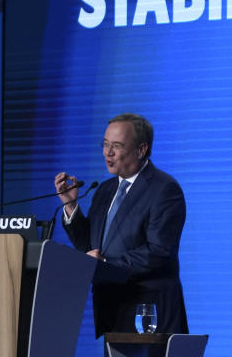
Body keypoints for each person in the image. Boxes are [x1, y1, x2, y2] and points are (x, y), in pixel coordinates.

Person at [54, 113, 188, 337]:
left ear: (141, 149)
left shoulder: (164, 189)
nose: (108, 153)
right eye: (105, 144)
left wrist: (105, 264)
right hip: (113, 311)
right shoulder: (105, 190)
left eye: (117, 146)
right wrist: (71, 206)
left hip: (149, 315)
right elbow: (90, 247)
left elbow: (159, 251)